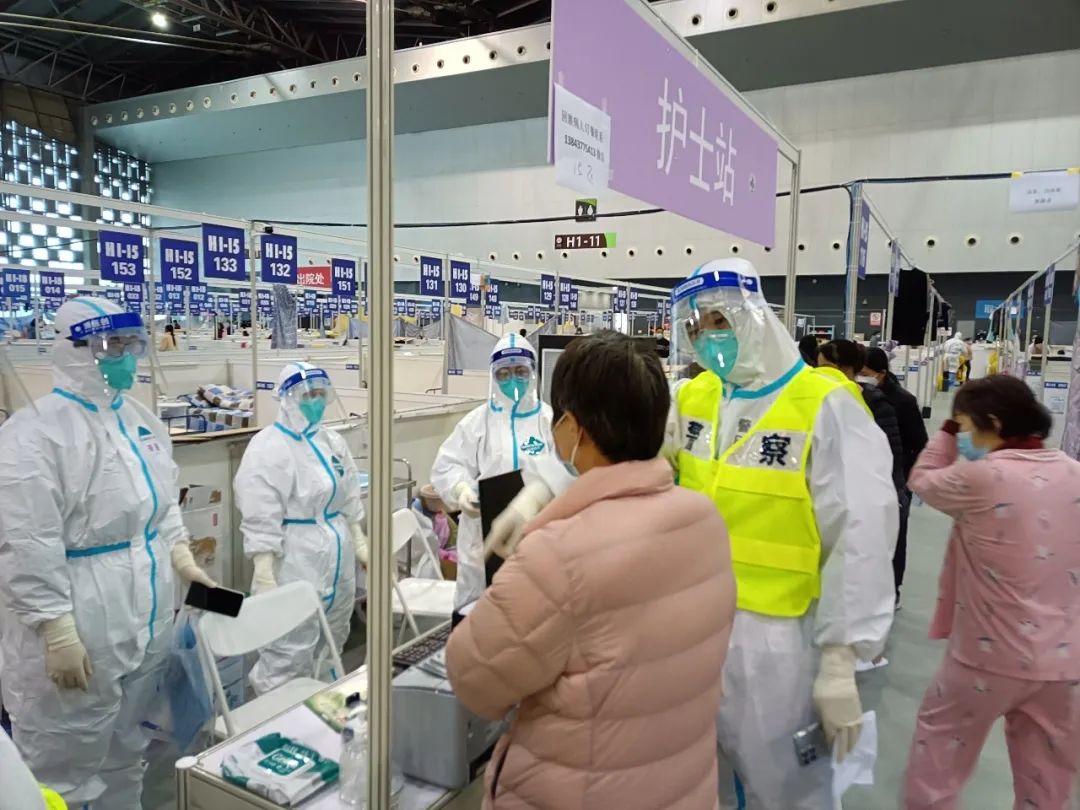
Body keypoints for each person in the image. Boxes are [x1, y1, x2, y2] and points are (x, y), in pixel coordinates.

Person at [447, 331, 736, 809]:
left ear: (572, 427)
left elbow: (475, 680)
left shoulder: (557, 555)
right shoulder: (703, 521)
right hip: (681, 783)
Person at [667, 260, 897, 808]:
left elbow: (860, 533)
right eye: (695, 326)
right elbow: (629, 458)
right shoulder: (692, 398)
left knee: (788, 786)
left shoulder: (824, 405)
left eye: (718, 321)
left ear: (754, 317)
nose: (706, 337)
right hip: (694, 625)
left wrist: (841, 658)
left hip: (780, 639)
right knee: (703, 778)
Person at [0, 296, 214, 809]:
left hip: (146, 611)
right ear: (74, 350)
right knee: (61, 764)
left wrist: (181, 556)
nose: (124, 356)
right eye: (110, 345)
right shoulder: (34, 434)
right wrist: (55, 626)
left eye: (130, 343)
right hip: (81, 613)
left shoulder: (140, 421)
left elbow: (163, 503)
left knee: (127, 747)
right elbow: (27, 541)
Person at [903, 375, 1080, 809]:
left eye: (964, 425)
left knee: (939, 755)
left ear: (994, 422)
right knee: (1047, 777)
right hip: (1064, 662)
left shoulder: (981, 476)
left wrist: (944, 431)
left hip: (986, 657)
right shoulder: (1074, 472)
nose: (961, 435)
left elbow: (921, 480)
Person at [234, 362, 365, 694]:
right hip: (295, 560)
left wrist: (359, 538)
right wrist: (264, 570)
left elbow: (350, 493)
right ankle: (278, 716)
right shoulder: (268, 447)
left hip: (338, 557)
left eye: (321, 394)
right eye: (308, 395)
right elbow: (259, 513)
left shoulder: (331, 441)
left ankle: (323, 709)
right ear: (286, 399)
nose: (316, 401)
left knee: (333, 639)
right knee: (289, 650)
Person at [431, 334, 571, 609]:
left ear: (533, 372)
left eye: (520, 371)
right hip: (482, 528)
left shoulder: (549, 420)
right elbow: (447, 465)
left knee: (533, 605)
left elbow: (566, 469)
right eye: (504, 373)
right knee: (478, 607)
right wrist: (461, 490)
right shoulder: (478, 422)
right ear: (493, 376)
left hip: (536, 526)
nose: (513, 379)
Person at [864, 346, 928, 605]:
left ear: (881, 373)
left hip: (896, 479)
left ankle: (893, 589)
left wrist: (907, 480)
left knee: (896, 536)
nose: (860, 377)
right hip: (869, 478)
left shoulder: (903, 401)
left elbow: (919, 443)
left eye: (865, 373)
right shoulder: (855, 397)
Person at [818, 339, 906, 495]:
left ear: (848, 369)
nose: (820, 374)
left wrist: (895, 496)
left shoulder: (875, 402)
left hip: (866, 489)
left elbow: (891, 455)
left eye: (826, 368)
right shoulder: (821, 401)